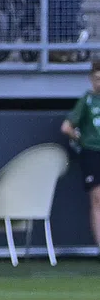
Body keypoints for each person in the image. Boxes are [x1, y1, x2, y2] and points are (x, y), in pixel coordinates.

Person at [61, 65, 100, 254]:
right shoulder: (87, 100)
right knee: (97, 199)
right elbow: (67, 127)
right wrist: (82, 139)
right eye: (97, 78)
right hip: (92, 153)